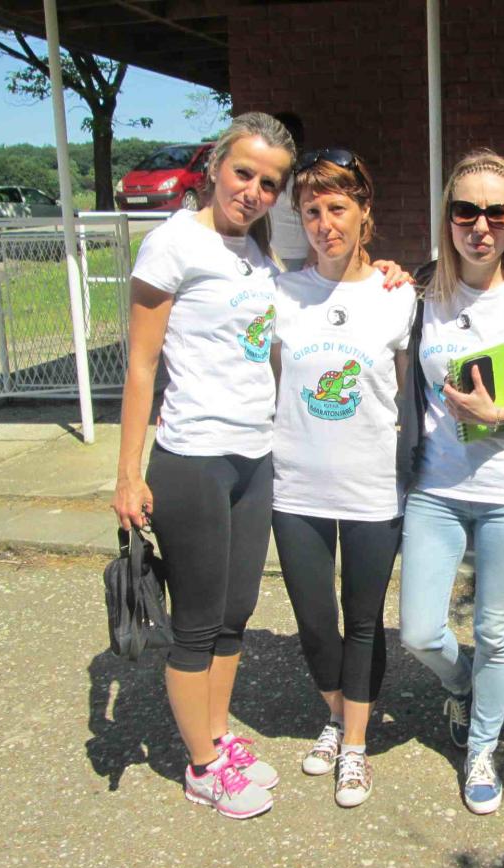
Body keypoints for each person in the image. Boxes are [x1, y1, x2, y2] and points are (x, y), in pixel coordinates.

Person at [111, 112, 294, 820]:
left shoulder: (259, 255)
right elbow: (141, 364)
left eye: (269, 183)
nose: (253, 192)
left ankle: (218, 737)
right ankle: (202, 768)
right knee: (195, 622)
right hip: (193, 458)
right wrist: (128, 473)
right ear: (215, 167)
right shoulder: (172, 243)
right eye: (243, 173)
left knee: (234, 613)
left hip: (254, 455)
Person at [397, 150, 504, 815]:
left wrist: (502, 414)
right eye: (466, 211)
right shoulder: (417, 290)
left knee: (497, 632)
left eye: (498, 213)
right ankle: (463, 684)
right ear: (448, 218)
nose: (481, 226)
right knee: (417, 631)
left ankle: (483, 748)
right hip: (434, 488)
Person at [269, 149, 416, 808]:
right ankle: (336, 713)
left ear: (363, 212)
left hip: (371, 485)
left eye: (337, 208)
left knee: (363, 620)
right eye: (311, 211)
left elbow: (409, 393)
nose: (325, 224)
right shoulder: (281, 294)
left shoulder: (396, 295)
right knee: (313, 620)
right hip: (295, 485)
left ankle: (353, 743)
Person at [268, 113, 312, 271]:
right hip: (269, 255)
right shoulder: (265, 175)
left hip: (303, 256)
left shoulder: (307, 176)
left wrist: (314, 253)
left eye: (296, 141)